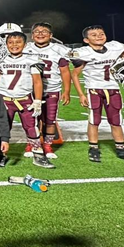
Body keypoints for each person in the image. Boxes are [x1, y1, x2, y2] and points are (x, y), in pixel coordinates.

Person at [70, 25, 124, 163]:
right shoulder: (83, 53)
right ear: (86, 40)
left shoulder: (114, 47)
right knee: (94, 120)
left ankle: (121, 149)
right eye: (94, 35)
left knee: (116, 120)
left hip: (113, 89)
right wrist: (81, 94)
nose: (99, 36)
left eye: (101, 33)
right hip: (94, 90)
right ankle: (93, 148)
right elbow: (75, 74)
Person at [0, 32, 52, 169]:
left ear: (25, 45)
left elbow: (37, 82)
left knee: (31, 127)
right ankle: (0, 155)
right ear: (6, 44)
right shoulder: (1, 59)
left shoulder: (32, 59)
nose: (14, 45)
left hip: (24, 99)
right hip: (4, 99)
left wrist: (38, 100)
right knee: (2, 128)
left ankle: (38, 154)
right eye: (11, 42)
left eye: (18, 42)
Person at [25, 22, 71, 159]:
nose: (40, 34)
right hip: (31, 90)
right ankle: (32, 143)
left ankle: (47, 145)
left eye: (44, 31)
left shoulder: (58, 49)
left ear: (51, 35)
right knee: (31, 120)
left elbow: (65, 71)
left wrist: (67, 91)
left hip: (52, 88)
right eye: (37, 31)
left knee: (50, 120)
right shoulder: (26, 48)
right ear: (32, 36)